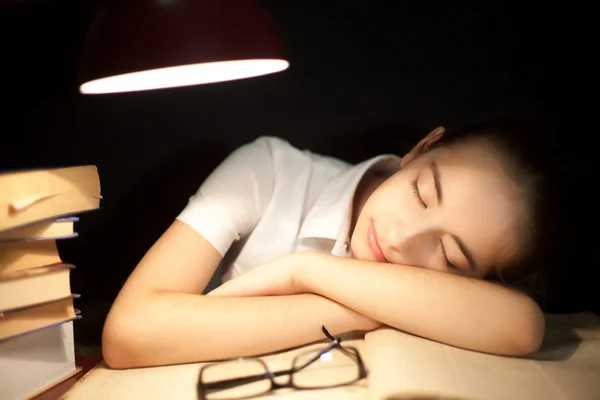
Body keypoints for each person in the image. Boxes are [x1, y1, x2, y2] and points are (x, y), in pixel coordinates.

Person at [102, 120, 547, 369]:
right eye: (421, 193)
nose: (399, 239)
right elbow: (129, 334)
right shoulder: (271, 171)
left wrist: (306, 272)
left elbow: (523, 326)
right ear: (421, 148)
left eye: (449, 256)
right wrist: (372, 308)